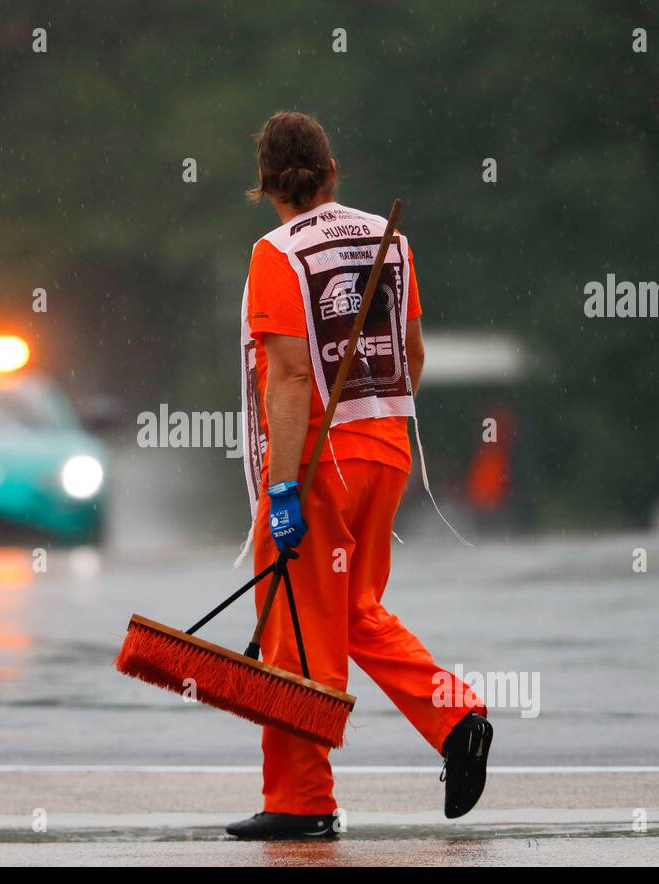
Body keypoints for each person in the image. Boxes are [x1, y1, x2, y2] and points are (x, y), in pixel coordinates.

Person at [227, 111, 493, 840]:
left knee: (296, 632)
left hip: (318, 464)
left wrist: (285, 488)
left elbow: (285, 377)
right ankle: (458, 716)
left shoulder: (276, 253)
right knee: (350, 612)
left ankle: (301, 802)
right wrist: (373, 417)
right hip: (386, 453)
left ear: (266, 184)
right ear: (331, 170)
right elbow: (412, 352)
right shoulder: (390, 239)